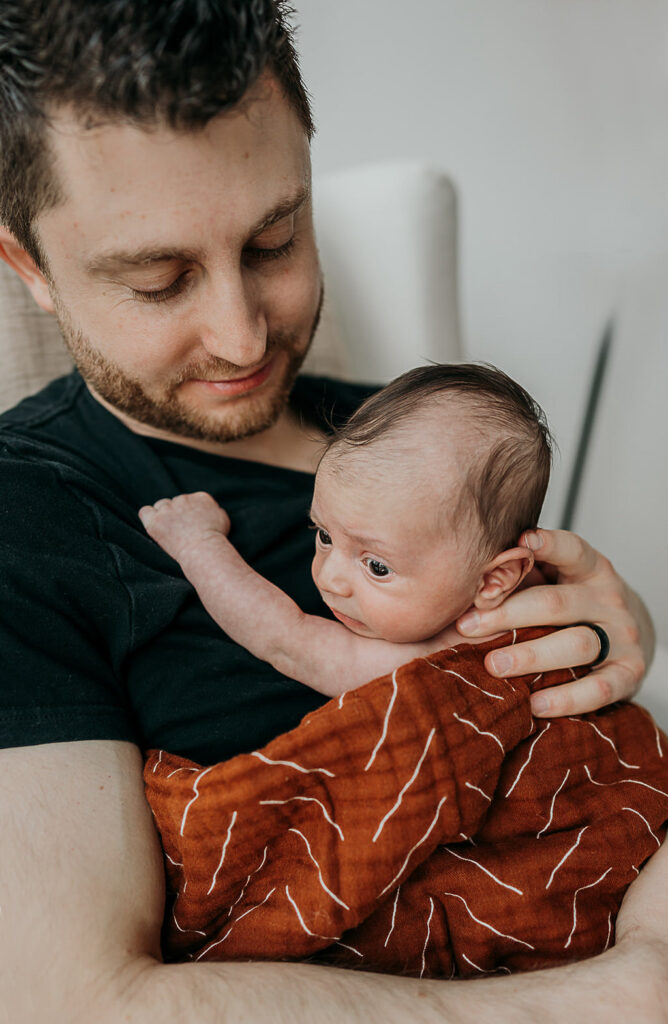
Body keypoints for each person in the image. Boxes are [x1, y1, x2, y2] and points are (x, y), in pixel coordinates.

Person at [0, 2, 664, 1021]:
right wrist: (615, 996)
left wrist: (611, 642)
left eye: (274, 239)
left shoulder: (424, 442)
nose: (239, 336)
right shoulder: (28, 513)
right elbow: (77, 1001)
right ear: (27, 268)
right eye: (159, 279)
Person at [138, 363, 668, 976]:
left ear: (496, 578)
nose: (333, 578)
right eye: (323, 535)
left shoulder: (433, 662)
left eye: (377, 567)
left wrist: (197, 544)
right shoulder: (456, 560)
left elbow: (282, 638)